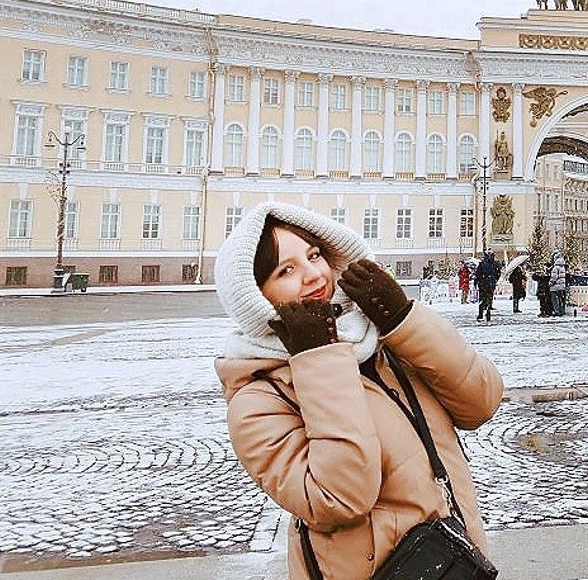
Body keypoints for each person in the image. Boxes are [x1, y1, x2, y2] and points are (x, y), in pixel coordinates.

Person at [213, 202, 503, 580]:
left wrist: (404, 319)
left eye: (314, 255)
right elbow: (342, 497)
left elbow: (481, 402)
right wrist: (317, 357)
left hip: (455, 563)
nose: (313, 275)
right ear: (255, 295)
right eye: (286, 270)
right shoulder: (257, 399)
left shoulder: (382, 341)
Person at [474, 251, 501, 323]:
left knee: (482, 299)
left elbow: (477, 274)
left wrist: (476, 282)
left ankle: (481, 314)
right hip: (490, 284)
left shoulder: (482, 264)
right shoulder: (495, 264)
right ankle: (488, 312)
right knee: (489, 298)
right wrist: (494, 280)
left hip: (483, 284)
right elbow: (498, 274)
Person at [549, 251, 568, 317]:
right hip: (562, 286)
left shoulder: (555, 268)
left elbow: (554, 277)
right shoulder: (562, 267)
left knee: (555, 300)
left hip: (555, 287)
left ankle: (557, 311)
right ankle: (561, 311)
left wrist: (550, 283)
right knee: (560, 299)